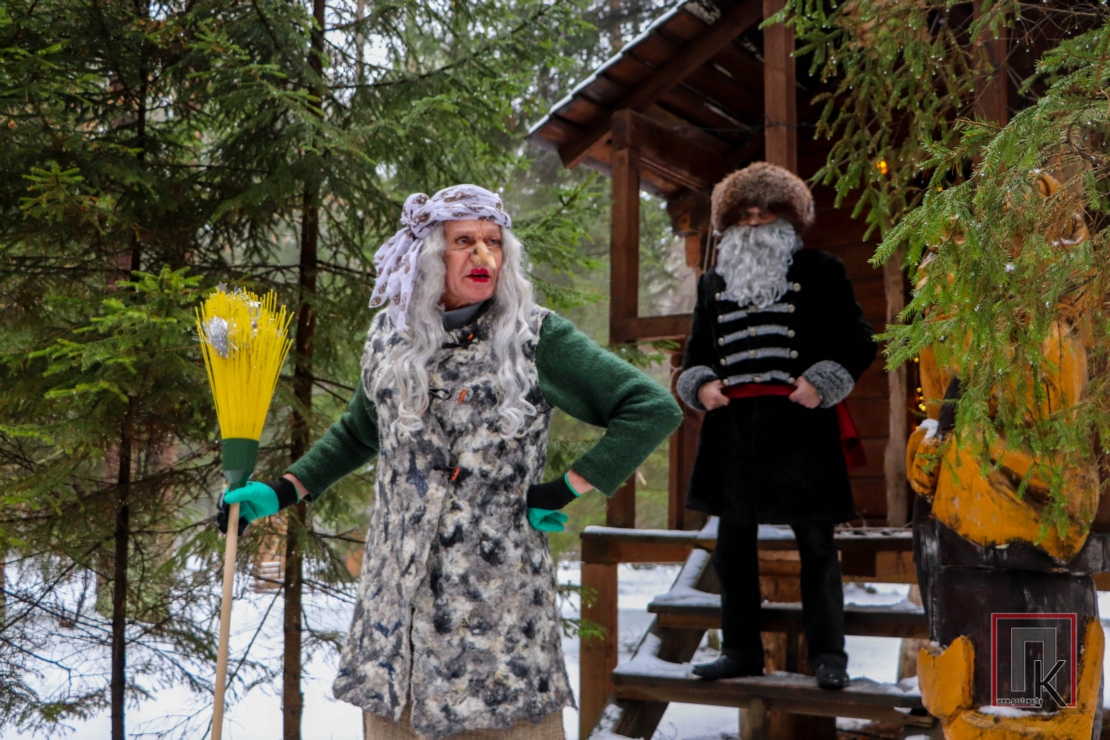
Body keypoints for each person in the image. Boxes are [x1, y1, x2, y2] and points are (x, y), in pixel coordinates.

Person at [216, 184, 682, 739]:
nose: (483, 254)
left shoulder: (536, 338)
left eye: (493, 241)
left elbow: (650, 408)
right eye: (464, 241)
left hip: (497, 618)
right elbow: (362, 429)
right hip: (396, 617)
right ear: (428, 255)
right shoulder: (390, 334)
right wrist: (284, 489)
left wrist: (566, 487)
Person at [675, 163, 876, 690]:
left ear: (787, 218)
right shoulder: (712, 282)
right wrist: (701, 384)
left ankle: (828, 656)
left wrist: (821, 381)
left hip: (801, 426)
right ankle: (740, 652)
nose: (754, 223)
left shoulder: (821, 270)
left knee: (817, 545)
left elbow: (858, 340)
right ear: (729, 224)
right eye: (744, 216)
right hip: (733, 430)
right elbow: (696, 354)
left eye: (765, 214)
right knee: (731, 548)